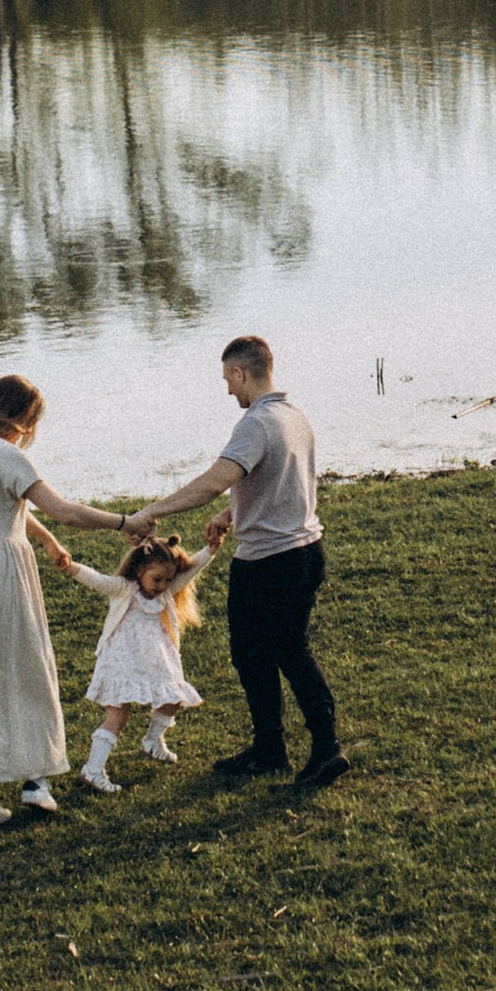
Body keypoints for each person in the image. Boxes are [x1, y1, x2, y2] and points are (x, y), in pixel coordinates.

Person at [0, 374, 125, 831]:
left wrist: (48, 542)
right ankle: (36, 779)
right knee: (26, 666)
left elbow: (7, 508)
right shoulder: (9, 455)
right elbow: (63, 509)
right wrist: (122, 522)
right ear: (23, 419)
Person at [139, 334, 348, 784]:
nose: (228, 390)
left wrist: (153, 511)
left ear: (241, 372)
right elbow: (277, 478)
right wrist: (232, 511)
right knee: (256, 654)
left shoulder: (256, 423)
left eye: (228, 380)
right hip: (305, 552)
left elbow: (215, 479)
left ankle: (325, 749)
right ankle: (270, 749)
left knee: (286, 652)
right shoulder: (294, 416)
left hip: (271, 562)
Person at [34, 526, 209, 789]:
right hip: (122, 663)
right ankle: (93, 769)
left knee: (173, 698)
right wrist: (70, 567)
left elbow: (193, 569)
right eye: (157, 579)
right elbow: (96, 580)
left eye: (166, 580)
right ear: (140, 571)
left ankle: (152, 740)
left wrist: (212, 548)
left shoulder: (165, 594)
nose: (162, 586)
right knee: (118, 715)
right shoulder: (123, 590)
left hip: (157, 662)